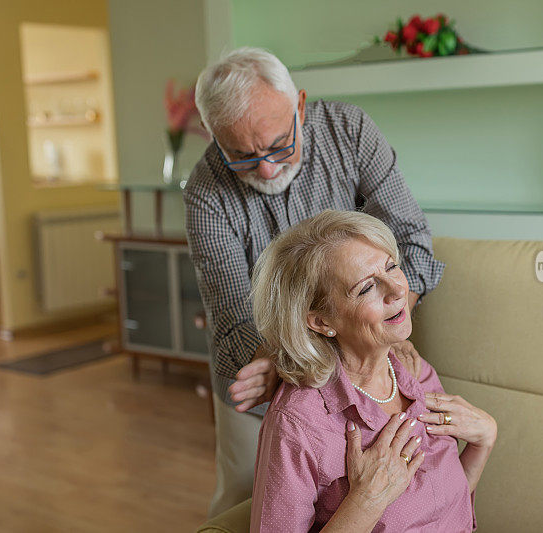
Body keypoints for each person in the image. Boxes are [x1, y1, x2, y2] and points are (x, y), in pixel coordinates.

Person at [183, 47, 446, 518]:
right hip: (266, 379)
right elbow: (232, 327)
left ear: (300, 106)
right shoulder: (205, 191)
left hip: (364, 363)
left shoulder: (350, 132)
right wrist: (278, 360)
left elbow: (414, 247)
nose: (267, 169)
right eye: (242, 156)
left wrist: (380, 318)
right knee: (242, 502)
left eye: (280, 144)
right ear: (213, 136)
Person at [248, 210, 496, 531]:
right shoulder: (297, 424)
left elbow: (446, 507)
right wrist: (367, 500)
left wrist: (484, 441)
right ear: (322, 322)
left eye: (392, 266)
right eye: (366, 288)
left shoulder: (417, 375)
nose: (396, 290)